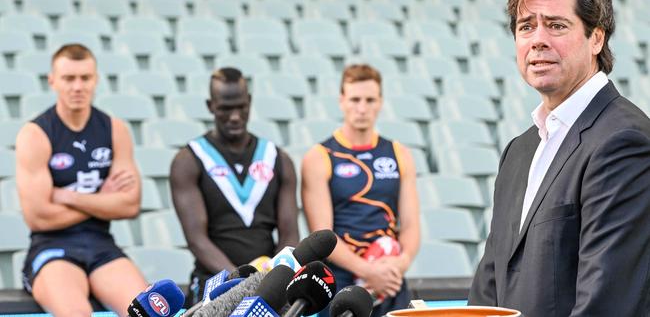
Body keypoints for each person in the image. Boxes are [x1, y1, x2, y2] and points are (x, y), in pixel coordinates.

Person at [469, 0, 650, 317]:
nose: (537, 40)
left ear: (596, 38)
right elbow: (489, 288)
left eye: (556, 25)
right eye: (526, 26)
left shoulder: (624, 141)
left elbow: (608, 304)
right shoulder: (519, 151)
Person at [15, 44, 147, 317]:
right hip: (51, 246)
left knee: (145, 311)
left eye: (85, 78)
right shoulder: (35, 134)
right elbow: (39, 217)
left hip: (101, 243)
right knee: (76, 313)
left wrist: (68, 196)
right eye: (68, 78)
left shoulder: (115, 129)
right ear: (52, 81)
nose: (77, 87)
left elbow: (129, 206)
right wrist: (102, 198)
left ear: (96, 80)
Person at [170, 67, 299, 305]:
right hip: (215, 280)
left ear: (249, 102)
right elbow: (197, 240)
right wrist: (242, 282)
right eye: (225, 109)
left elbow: (290, 234)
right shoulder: (188, 161)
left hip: (268, 278)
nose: (235, 116)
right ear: (210, 106)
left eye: (241, 107)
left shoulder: (278, 159)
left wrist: (273, 276)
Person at [301, 64, 420, 317]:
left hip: (390, 283)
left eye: (370, 100)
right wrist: (369, 271)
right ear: (342, 101)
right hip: (340, 283)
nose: (362, 108)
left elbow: (410, 225)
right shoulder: (319, 157)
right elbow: (322, 235)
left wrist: (399, 264)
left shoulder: (400, 154)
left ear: (380, 102)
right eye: (355, 99)